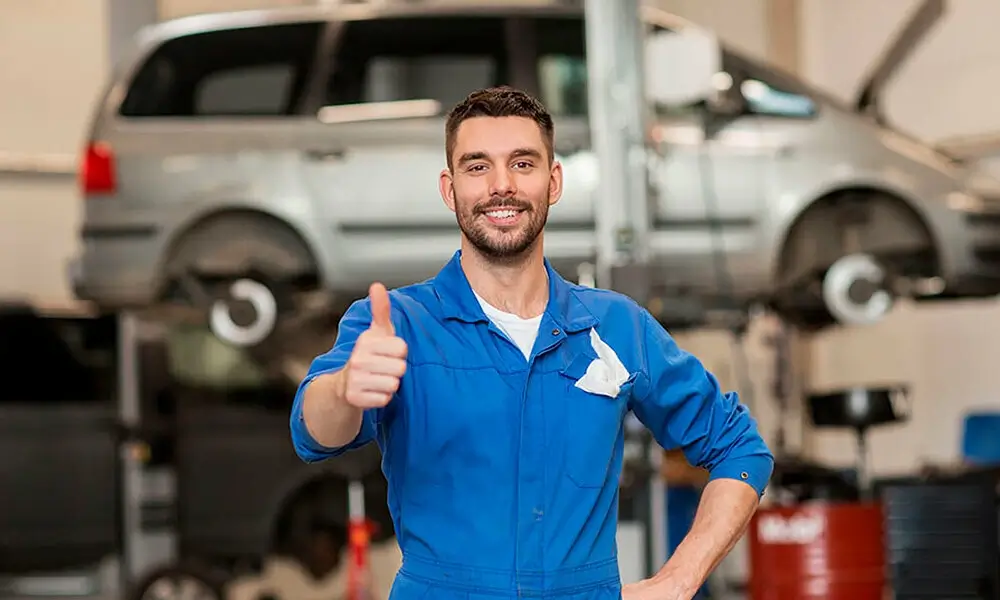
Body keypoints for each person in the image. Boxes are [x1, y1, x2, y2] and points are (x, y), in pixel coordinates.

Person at [290, 86, 774, 600]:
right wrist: (345, 389)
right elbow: (314, 431)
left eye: (522, 164)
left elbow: (739, 447)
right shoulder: (399, 324)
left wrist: (679, 581)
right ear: (449, 189)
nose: (502, 186)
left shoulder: (613, 327)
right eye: (478, 167)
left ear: (554, 180)